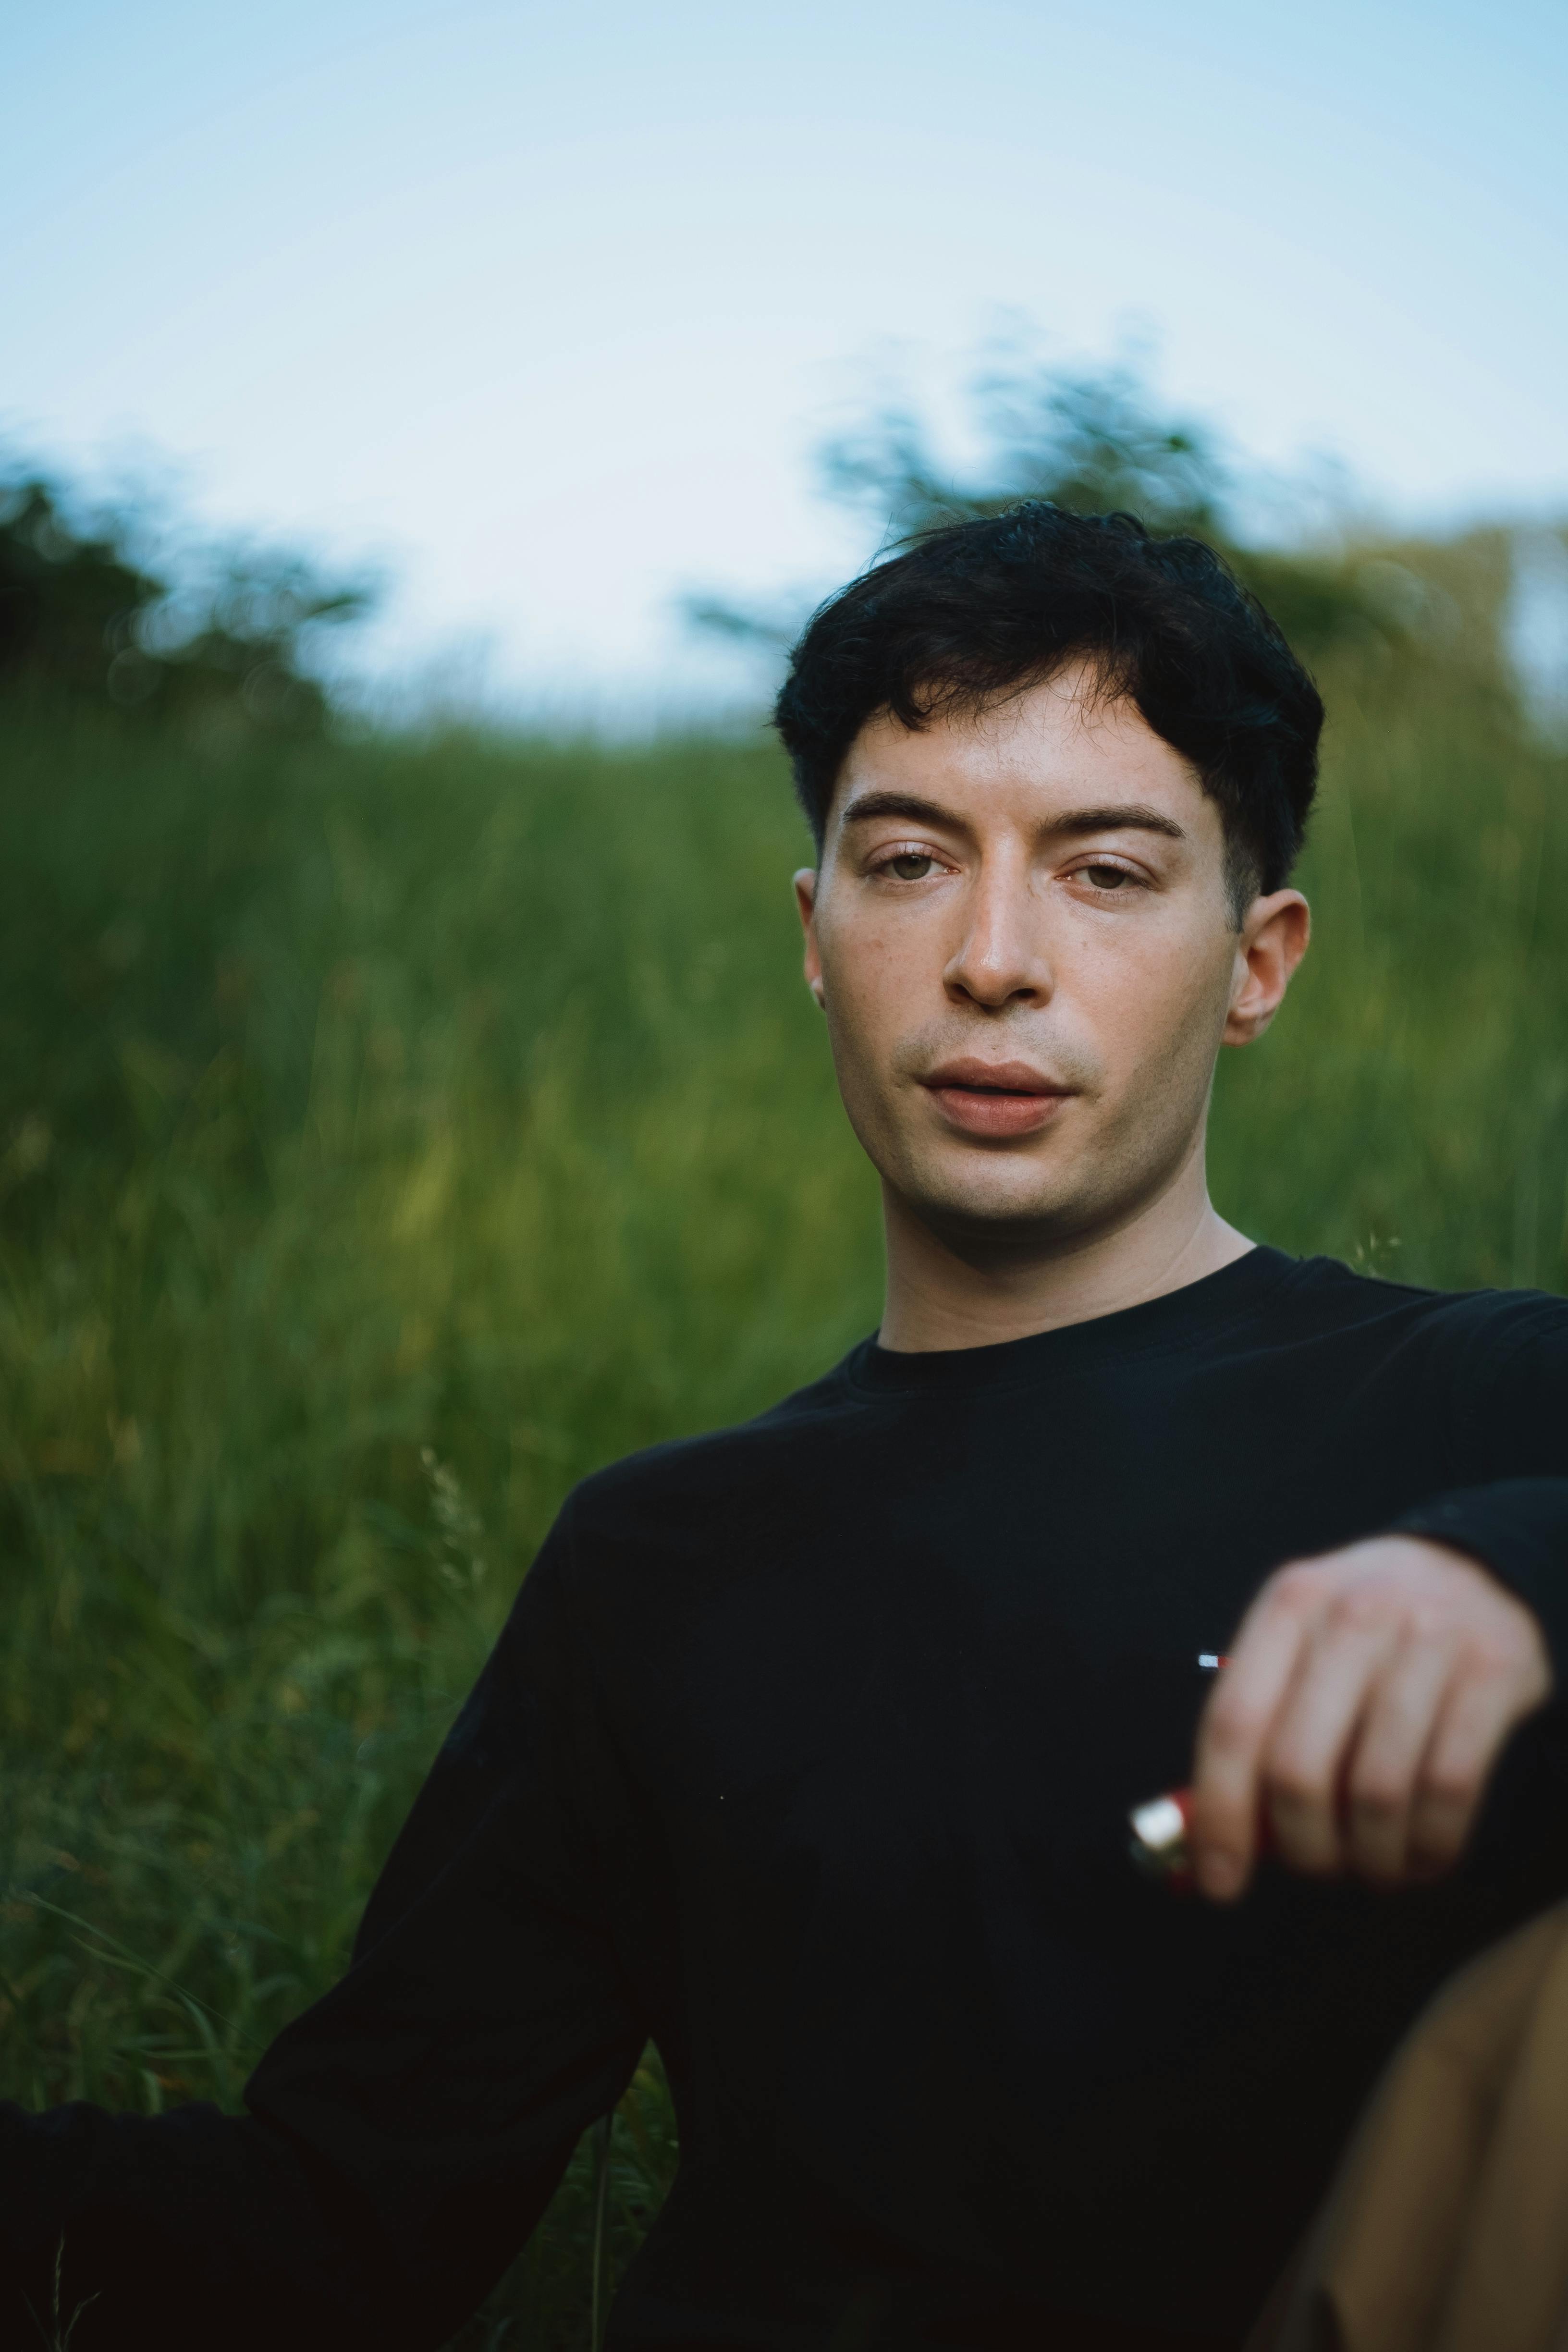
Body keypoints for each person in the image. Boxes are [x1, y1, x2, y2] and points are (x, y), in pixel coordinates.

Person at [4, 505, 1565, 2352]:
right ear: (816, 933)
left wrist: (1509, 1567)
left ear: (1258, 961)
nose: (994, 958)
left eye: (1110, 874)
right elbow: (338, 2224)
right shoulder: (663, 1564)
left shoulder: (1480, 1397)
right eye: (908, 861)